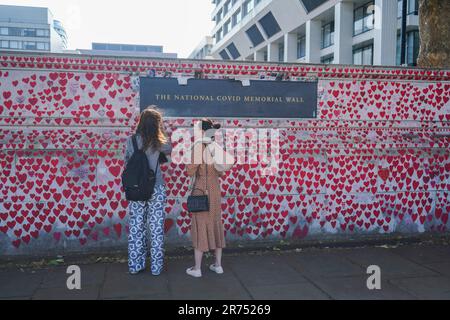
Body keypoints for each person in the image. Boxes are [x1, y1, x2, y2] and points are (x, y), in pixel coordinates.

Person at [124, 106, 172, 276]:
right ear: (157, 124)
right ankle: (156, 268)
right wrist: (163, 131)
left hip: (136, 189)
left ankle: (135, 265)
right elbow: (169, 153)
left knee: (137, 226)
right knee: (156, 228)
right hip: (156, 188)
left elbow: (127, 163)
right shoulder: (160, 140)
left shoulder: (131, 140)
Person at [185, 119, 233, 278]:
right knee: (215, 223)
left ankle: (197, 268)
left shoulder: (199, 146)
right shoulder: (215, 146)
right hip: (215, 188)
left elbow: (190, 171)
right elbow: (221, 171)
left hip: (201, 188)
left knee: (200, 225)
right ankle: (218, 265)